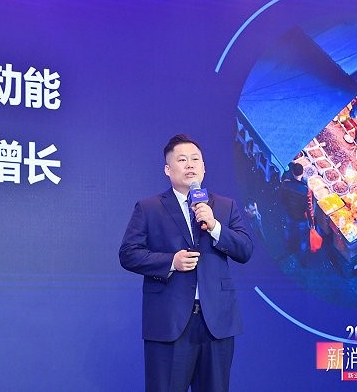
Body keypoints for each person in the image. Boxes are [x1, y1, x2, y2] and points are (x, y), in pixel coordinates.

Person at [119, 134, 253, 392]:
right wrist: (171, 261)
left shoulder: (224, 206)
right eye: (182, 160)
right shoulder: (149, 208)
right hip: (169, 322)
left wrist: (214, 226)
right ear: (167, 169)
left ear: (204, 167)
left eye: (195, 159)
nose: (190, 165)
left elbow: (245, 250)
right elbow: (128, 253)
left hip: (217, 323)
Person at [279, 161, 313, 265]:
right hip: (301, 218)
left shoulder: (285, 184)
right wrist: (312, 223)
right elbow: (309, 208)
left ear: (292, 173)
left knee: (289, 230)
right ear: (302, 173)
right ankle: (303, 260)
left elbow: (282, 199)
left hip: (289, 213)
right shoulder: (306, 190)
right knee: (303, 239)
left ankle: (288, 247)